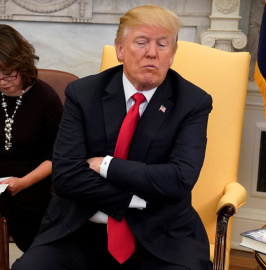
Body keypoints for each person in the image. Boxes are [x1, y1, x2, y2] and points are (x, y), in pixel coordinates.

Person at [12, 5, 213, 270]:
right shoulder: (83, 94)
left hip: (161, 235)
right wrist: (135, 199)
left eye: (162, 44)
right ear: (120, 49)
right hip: (80, 230)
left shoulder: (192, 102)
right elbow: (66, 176)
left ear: (172, 54)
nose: (152, 52)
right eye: (141, 42)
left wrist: (105, 165)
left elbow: (178, 180)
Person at [0, 24, 63, 252]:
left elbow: (56, 156)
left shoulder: (45, 98)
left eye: (8, 74)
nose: (1, 82)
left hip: (31, 183)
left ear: (22, 65)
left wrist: (23, 182)